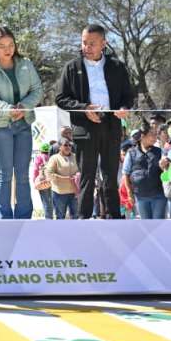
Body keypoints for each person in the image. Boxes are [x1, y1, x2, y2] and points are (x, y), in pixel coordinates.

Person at [55, 25, 135, 219]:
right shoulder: (72, 67)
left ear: (103, 44)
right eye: (84, 42)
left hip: (111, 126)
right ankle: (83, 218)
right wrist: (83, 109)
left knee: (109, 176)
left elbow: (129, 96)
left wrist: (125, 109)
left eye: (92, 43)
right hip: (85, 127)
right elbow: (60, 98)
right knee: (87, 176)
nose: (87, 47)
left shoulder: (117, 66)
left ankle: (113, 216)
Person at [0, 25, 43, 220]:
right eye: (2, 46)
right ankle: (4, 218)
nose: (8, 49)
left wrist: (24, 107)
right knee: (5, 174)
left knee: (22, 174)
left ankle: (24, 217)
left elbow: (37, 89)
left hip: (23, 124)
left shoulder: (26, 64)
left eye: (11, 45)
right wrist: (8, 109)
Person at [122, 124, 168, 219]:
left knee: (158, 223)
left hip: (158, 195)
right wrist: (130, 193)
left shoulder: (160, 152)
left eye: (156, 134)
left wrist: (164, 168)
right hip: (140, 197)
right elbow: (125, 174)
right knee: (146, 224)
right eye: (152, 134)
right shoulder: (131, 153)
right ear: (143, 136)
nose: (155, 137)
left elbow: (167, 175)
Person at [45, 137, 79, 219]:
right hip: (59, 194)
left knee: (76, 217)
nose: (68, 147)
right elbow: (49, 174)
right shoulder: (54, 158)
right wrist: (65, 178)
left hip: (74, 193)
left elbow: (81, 169)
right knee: (60, 217)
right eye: (65, 145)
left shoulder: (76, 157)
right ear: (60, 147)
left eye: (70, 145)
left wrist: (78, 175)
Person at [31, 142, 53, 219]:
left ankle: (48, 218)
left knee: (45, 200)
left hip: (42, 181)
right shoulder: (51, 157)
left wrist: (34, 180)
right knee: (51, 200)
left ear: (41, 150)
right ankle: (52, 216)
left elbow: (35, 170)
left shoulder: (39, 157)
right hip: (51, 181)